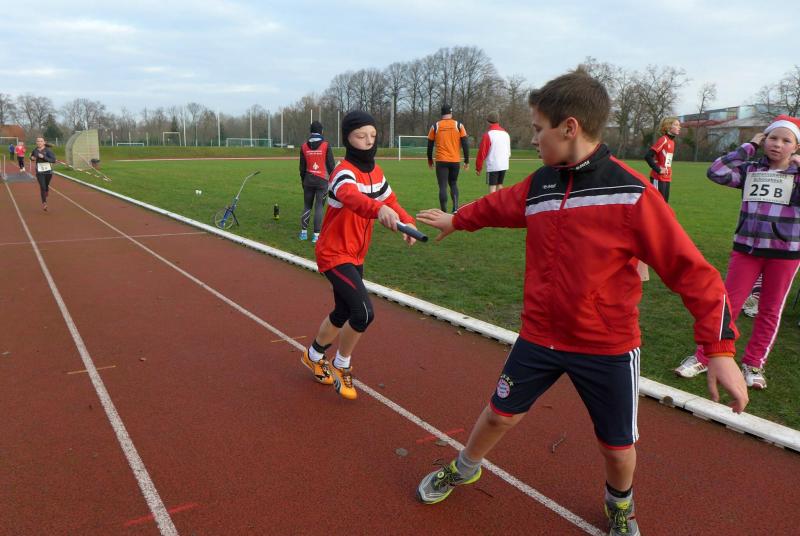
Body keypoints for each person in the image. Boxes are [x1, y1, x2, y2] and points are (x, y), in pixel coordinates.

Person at [413, 71, 747, 536]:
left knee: (617, 447)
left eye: (538, 128)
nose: (533, 139)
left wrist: (720, 350)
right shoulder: (541, 183)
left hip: (606, 346)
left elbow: (693, 273)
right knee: (498, 414)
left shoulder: (632, 193)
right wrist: (459, 219)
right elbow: (500, 205)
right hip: (539, 336)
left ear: (569, 127)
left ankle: (619, 503)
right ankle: (466, 466)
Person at [300, 111, 418, 400]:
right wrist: (378, 210)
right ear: (347, 138)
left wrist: (407, 221)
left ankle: (313, 356)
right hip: (334, 253)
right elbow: (352, 198)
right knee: (363, 313)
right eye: (360, 136)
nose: (368, 141)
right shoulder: (342, 172)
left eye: (372, 136)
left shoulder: (376, 172)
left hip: (355, 255)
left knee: (342, 312)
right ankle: (341, 365)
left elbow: (390, 200)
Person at [675, 116, 800, 390]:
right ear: (764, 139)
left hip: (784, 253)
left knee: (770, 310)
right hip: (746, 249)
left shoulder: (797, 175)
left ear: (795, 147)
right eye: (772, 138)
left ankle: (753, 363)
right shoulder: (751, 169)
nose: (777, 144)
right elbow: (716, 172)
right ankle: (706, 356)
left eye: (786, 140)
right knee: (727, 305)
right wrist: (748, 147)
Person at [298, 120, 335, 243]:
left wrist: (303, 181)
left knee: (307, 206)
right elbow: (331, 166)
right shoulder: (326, 145)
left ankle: (303, 233)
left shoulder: (304, 146)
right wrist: (332, 180)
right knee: (319, 207)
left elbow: (302, 168)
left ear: (311, 131)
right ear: (321, 131)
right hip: (322, 181)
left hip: (308, 180)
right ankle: (316, 235)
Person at [427, 104, 469, 212]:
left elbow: (430, 145)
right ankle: (455, 208)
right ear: (451, 113)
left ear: (441, 113)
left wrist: (430, 160)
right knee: (453, 183)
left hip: (441, 161)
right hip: (455, 161)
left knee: (442, 186)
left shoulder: (435, 126)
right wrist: (467, 160)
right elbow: (465, 143)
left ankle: (443, 211)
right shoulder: (459, 125)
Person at [644, 117, 681, 202]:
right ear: (668, 126)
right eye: (676, 125)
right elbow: (648, 156)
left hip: (667, 177)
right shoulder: (663, 139)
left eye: (679, 125)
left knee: (664, 204)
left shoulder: (672, 142)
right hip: (658, 178)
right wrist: (658, 169)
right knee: (657, 204)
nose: (679, 127)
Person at [475, 111, 511, 194]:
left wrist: (478, 168)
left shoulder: (488, 135)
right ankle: (501, 201)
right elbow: (508, 152)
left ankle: (493, 203)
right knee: (500, 185)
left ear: (488, 121)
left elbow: (482, 153)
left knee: (492, 187)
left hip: (493, 165)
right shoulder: (506, 134)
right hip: (504, 164)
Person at [30, 137, 56, 211]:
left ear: (44, 142)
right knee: (42, 186)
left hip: (48, 172)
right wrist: (32, 158)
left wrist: (43, 157)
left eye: (41, 141)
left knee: (46, 185)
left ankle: (46, 190)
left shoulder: (48, 150)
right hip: (39, 172)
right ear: (36, 142)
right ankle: (44, 203)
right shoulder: (35, 150)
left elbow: (53, 160)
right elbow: (32, 157)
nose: (39, 142)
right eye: (38, 141)